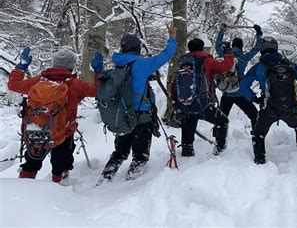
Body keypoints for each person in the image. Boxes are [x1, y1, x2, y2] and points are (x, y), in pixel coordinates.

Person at [8, 47, 103, 183]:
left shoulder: (39, 81)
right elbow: (98, 91)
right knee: (61, 166)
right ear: (72, 65)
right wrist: (98, 71)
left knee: (31, 163)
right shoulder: (75, 84)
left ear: (54, 63)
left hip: (36, 128)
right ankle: (59, 191)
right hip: (63, 132)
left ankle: (23, 189)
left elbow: (13, 85)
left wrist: (22, 65)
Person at [98, 25, 177, 183]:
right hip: (142, 117)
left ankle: (104, 179)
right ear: (137, 49)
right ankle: (131, 186)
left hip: (122, 116)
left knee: (119, 153)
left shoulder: (117, 66)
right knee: (140, 156)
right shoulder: (142, 64)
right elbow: (166, 55)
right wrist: (172, 37)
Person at [240, 37, 297, 164]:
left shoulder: (259, 67)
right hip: (290, 108)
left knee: (259, 133)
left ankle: (260, 161)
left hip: (268, 108)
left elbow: (244, 85)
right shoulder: (288, 64)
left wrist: (253, 98)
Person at [176, 38, 235, 157]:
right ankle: (220, 150)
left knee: (188, 130)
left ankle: (187, 156)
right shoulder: (206, 60)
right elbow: (226, 67)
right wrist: (228, 52)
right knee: (223, 121)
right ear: (202, 48)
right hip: (202, 103)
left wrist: (176, 102)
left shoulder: (183, 61)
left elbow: (176, 82)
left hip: (185, 103)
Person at [214, 23, 263, 133]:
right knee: (255, 116)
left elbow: (217, 46)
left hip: (226, 93)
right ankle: (256, 136)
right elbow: (257, 48)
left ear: (232, 45)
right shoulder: (244, 57)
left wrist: (222, 30)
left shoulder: (224, 55)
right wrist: (259, 34)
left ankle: (218, 138)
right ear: (241, 46)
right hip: (240, 93)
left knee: (221, 119)